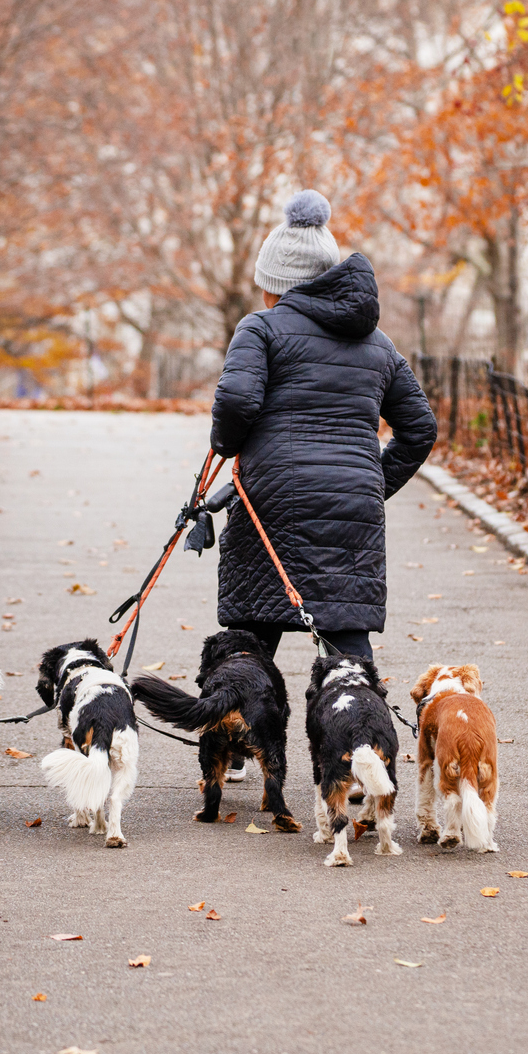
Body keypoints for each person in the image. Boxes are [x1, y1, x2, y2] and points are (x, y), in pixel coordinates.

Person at [208, 189, 437, 772]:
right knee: (344, 633)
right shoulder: (378, 343)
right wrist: (368, 484)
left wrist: (226, 445)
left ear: (276, 282)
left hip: (270, 502)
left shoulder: (260, 328)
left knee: (252, 631)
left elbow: (236, 400)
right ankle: (364, 748)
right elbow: (420, 428)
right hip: (350, 512)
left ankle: (235, 744)